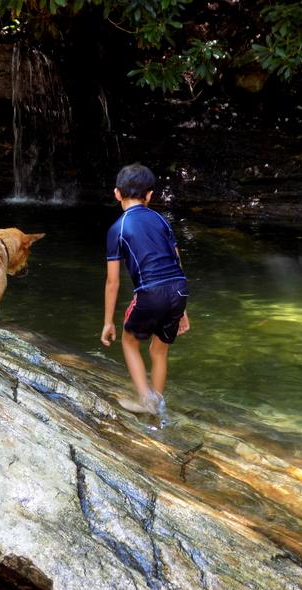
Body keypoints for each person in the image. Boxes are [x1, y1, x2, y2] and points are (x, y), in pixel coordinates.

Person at [100, 163, 190, 420]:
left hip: (150, 291)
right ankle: (158, 406)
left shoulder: (118, 228)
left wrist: (108, 322)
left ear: (117, 194)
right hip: (179, 289)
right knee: (159, 351)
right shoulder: (161, 220)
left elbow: (113, 282)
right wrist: (182, 309)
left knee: (129, 342)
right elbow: (177, 263)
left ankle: (146, 403)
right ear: (150, 195)